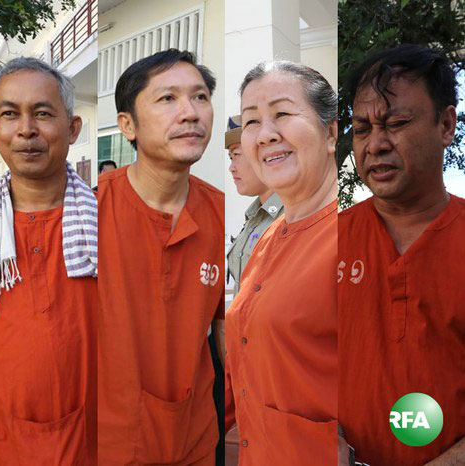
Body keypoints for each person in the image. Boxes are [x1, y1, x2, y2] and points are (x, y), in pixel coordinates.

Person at [338, 44, 465, 466]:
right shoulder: (323, 242)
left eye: (395, 123)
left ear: (445, 125)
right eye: (361, 129)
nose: (376, 144)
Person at [97, 49, 224, 465]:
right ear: (127, 125)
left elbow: (229, 337)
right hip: (101, 442)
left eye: (200, 97)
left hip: (193, 438)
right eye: (168, 98)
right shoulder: (85, 211)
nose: (190, 113)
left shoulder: (225, 216)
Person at [0, 57, 97, 465]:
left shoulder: (107, 221)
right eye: (10, 114)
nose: (26, 130)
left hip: (90, 437)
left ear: (72, 129)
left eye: (42, 113)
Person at [225, 61, 338, 465]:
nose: (266, 134)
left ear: (330, 133)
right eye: (252, 121)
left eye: (283, 114)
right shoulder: (268, 236)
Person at [226, 114, 283, 297]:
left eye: (236, 155)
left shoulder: (291, 217)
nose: (232, 167)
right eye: (230, 157)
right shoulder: (254, 217)